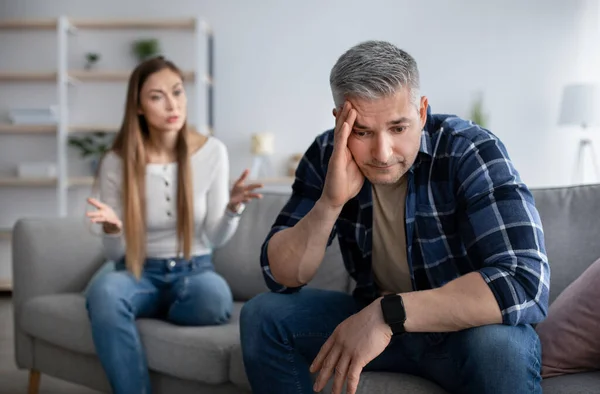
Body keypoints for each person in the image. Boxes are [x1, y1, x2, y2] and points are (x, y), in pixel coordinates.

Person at [240, 41, 550, 394]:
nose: (382, 153)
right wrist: (329, 203)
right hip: (377, 327)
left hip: (462, 332)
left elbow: (524, 283)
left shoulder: (470, 149)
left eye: (398, 128)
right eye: (362, 132)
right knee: (263, 317)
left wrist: (387, 314)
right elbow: (280, 277)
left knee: (502, 346)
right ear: (340, 119)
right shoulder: (327, 154)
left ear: (421, 111)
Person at [85, 56, 263, 394]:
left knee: (214, 298)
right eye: (156, 96)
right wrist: (113, 229)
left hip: (194, 270)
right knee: (104, 293)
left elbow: (213, 237)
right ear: (138, 107)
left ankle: (157, 308)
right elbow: (113, 252)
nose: (172, 104)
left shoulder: (212, 152)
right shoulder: (116, 161)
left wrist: (231, 209)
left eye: (178, 92)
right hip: (136, 272)